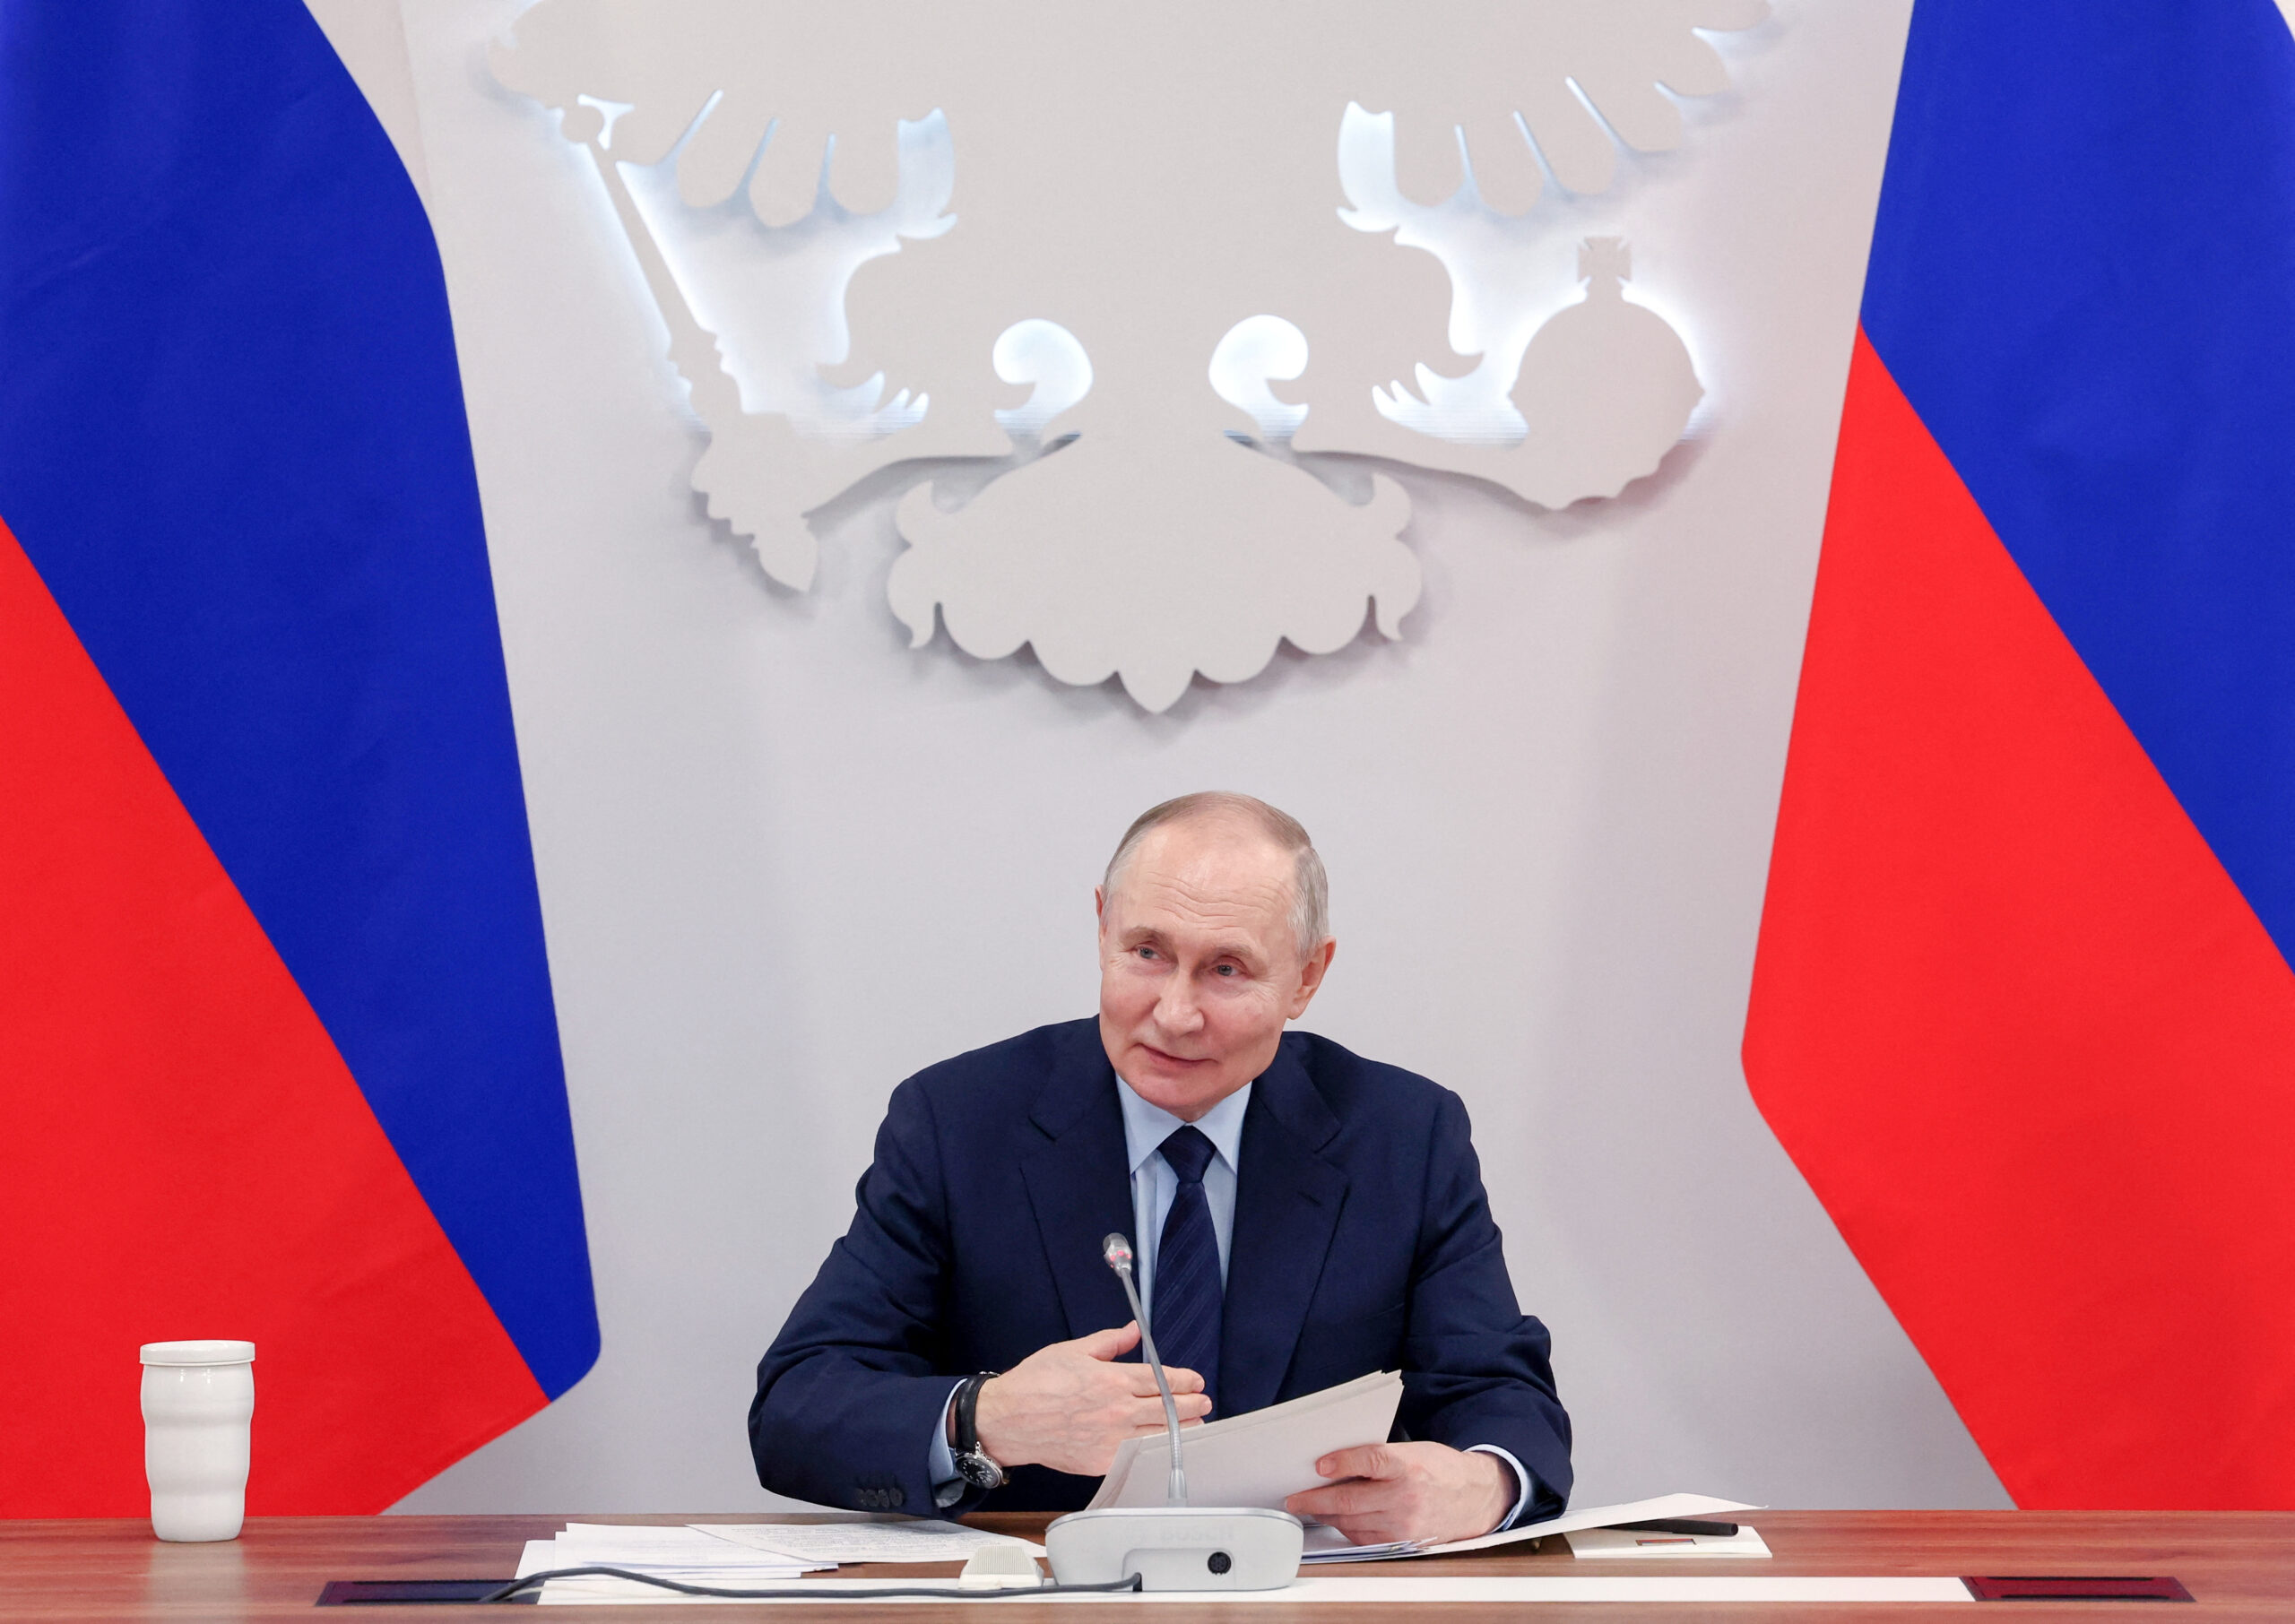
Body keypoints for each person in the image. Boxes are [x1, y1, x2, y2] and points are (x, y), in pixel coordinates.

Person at [749, 793, 1569, 1545]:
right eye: (1146, 952)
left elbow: (1500, 1394)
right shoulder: (959, 1123)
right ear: (1102, 928)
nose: (1175, 1014)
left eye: (1226, 969)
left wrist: (1484, 1484)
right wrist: (986, 1417)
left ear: (1307, 978)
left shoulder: (1402, 1135)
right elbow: (797, 1405)